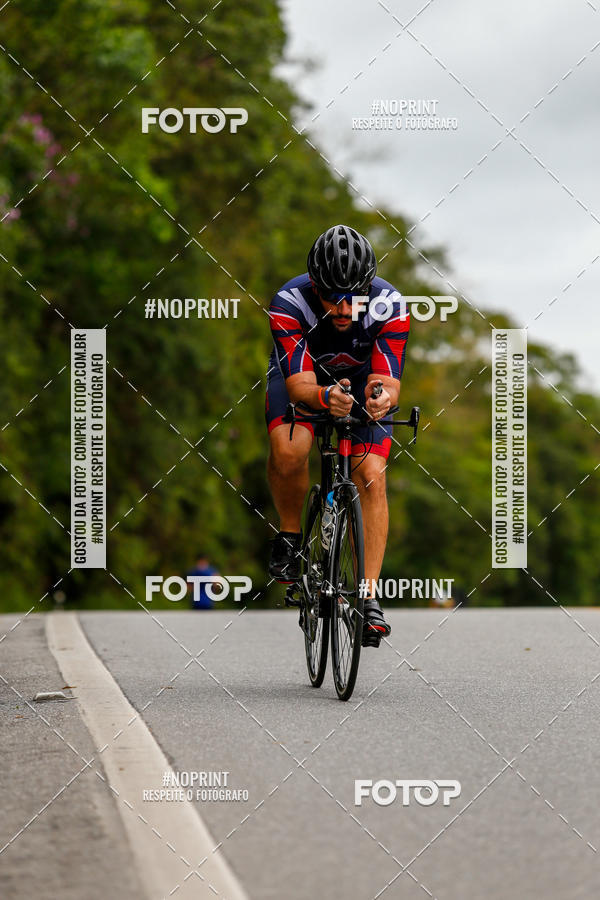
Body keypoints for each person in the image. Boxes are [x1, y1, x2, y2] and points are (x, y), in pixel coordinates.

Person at [265, 224, 410, 647]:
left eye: (354, 298)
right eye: (332, 298)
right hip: (306, 379)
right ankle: (292, 535)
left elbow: (389, 379)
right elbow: (298, 388)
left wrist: (381, 396)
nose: (344, 309)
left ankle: (367, 597)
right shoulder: (289, 303)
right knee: (291, 449)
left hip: (362, 379)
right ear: (314, 286)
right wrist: (325, 395)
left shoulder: (390, 304)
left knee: (371, 475)